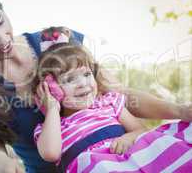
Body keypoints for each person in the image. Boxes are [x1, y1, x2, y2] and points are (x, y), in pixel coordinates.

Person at [0, 0, 192, 173]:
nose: (1, 39)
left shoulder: (57, 41)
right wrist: (0, 164)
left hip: (122, 158)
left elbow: (119, 95)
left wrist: (180, 111)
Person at [33, 43, 192, 172]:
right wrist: (52, 108)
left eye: (87, 74)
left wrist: (128, 137)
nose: (83, 84)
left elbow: (141, 130)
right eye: (70, 79)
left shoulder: (108, 103)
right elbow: (51, 154)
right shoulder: (51, 128)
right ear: (51, 89)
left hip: (137, 157)